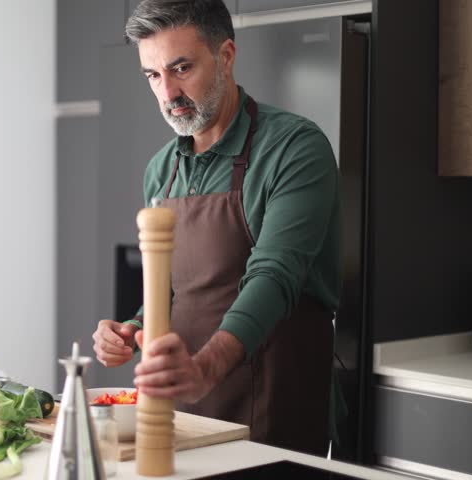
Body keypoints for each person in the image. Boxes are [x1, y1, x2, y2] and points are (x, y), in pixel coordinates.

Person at [91, 0, 341, 456]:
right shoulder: (161, 169)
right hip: (181, 418)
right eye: (152, 75)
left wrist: (205, 368)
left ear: (225, 56)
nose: (168, 93)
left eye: (181, 67)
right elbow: (170, 293)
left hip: (270, 411)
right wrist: (131, 328)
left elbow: (274, 276)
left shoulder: (295, 149)